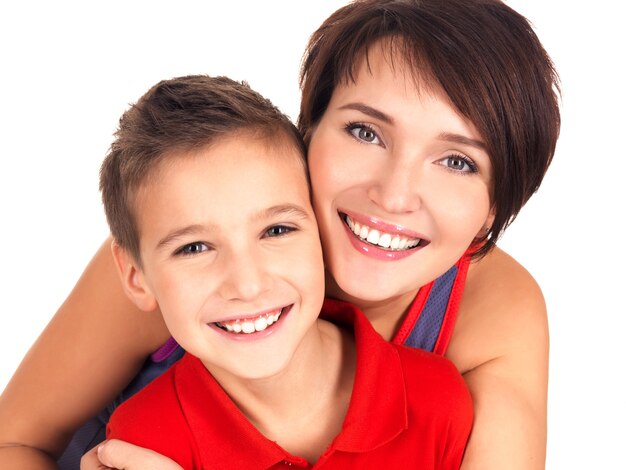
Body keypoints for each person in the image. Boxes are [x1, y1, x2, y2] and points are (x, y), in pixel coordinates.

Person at [0, 1, 560, 469]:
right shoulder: (179, 258)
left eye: (458, 162)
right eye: (365, 131)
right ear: (308, 130)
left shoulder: (493, 315)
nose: (394, 195)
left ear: (493, 212)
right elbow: (15, 441)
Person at [101, 74, 472, 469]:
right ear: (136, 277)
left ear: (323, 226)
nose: (247, 284)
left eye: (276, 230)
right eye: (193, 248)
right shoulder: (142, 441)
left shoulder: (435, 400)